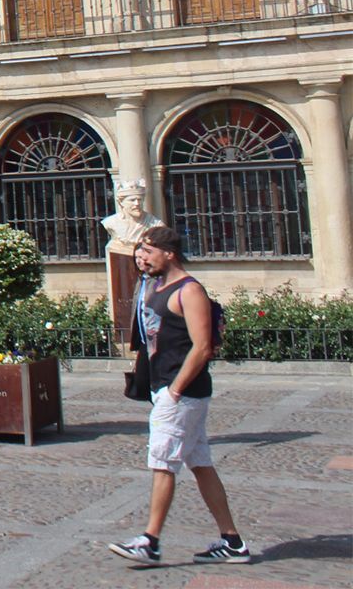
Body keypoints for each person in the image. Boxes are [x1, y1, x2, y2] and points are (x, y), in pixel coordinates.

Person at [109, 226, 250, 567]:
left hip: (182, 393)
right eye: (139, 254)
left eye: (148, 253)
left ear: (169, 253)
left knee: (162, 463)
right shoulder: (156, 287)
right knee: (200, 464)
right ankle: (233, 542)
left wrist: (174, 391)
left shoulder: (190, 291)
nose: (142, 259)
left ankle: (150, 541)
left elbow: (202, 348)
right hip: (168, 389)